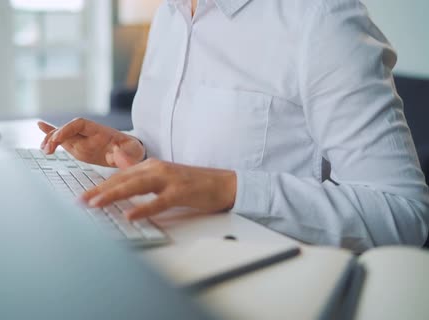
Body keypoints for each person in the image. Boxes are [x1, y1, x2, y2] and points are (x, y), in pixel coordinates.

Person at [38, 0, 429, 252]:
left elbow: (406, 215)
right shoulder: (169, 15)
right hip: (157, 253)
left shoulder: (320, 18)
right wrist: (133, 148)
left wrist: (228, 187)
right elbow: (183, 154)